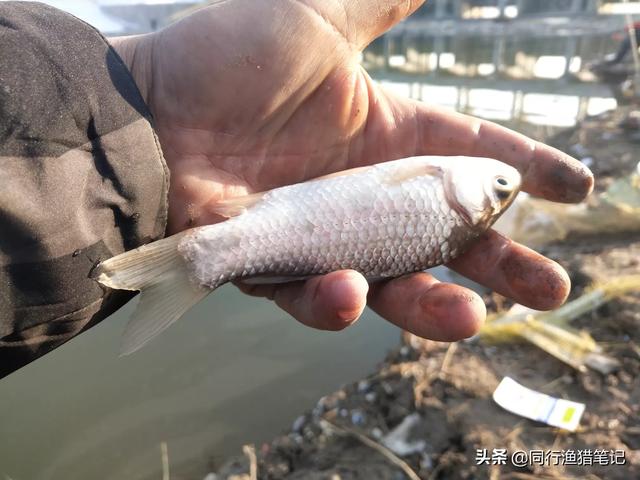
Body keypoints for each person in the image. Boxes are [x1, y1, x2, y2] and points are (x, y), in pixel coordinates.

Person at [0, 1, 593, 379]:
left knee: (331, 287)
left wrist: (139, 98)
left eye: (498, 188)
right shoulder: (440, 191)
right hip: (261, 211)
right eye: (501, 183)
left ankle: (196, 262)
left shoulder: (438, 186)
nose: (497, 176)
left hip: (264, 214)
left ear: (475, 201)